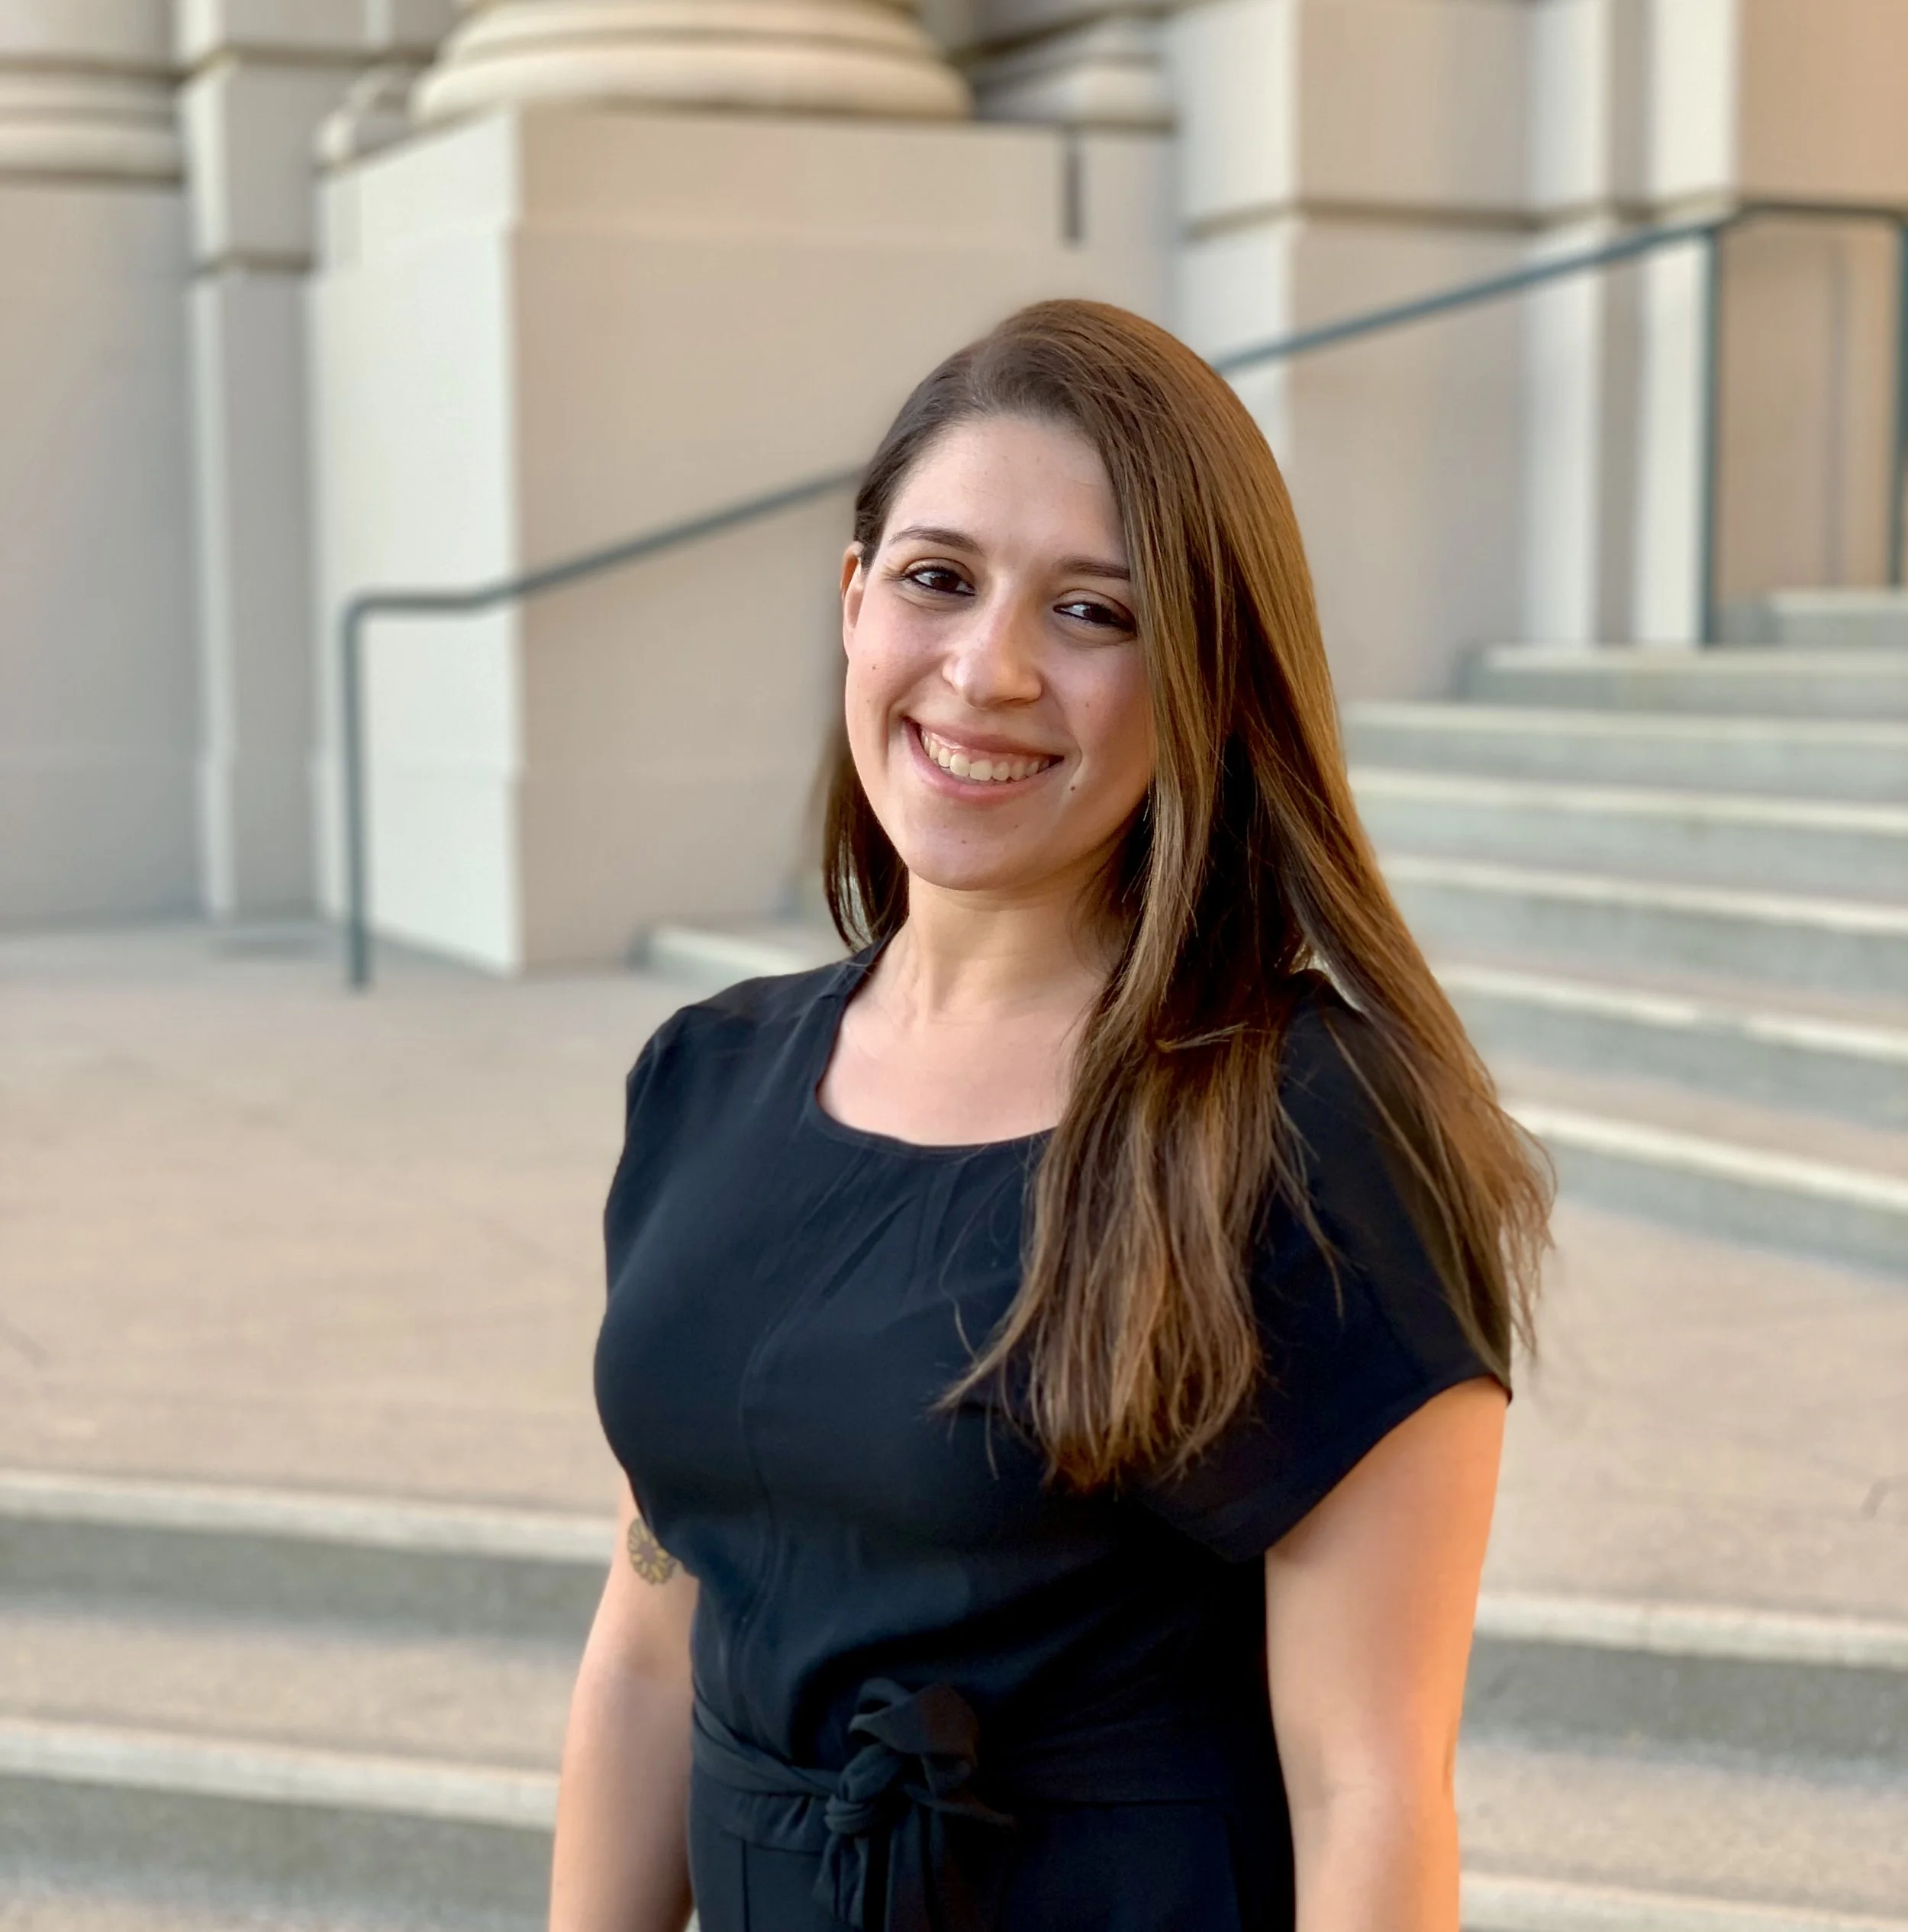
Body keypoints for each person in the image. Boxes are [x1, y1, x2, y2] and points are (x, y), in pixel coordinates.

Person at [550, 299, 1550, 1932]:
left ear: (1211, 683)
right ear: (854, 597)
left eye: (1091, 611)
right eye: (939, 578)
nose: (988, 668)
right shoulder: (701, 1079)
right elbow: (648, 1639)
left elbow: (1369, 1782)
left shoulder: (1301, 1126)